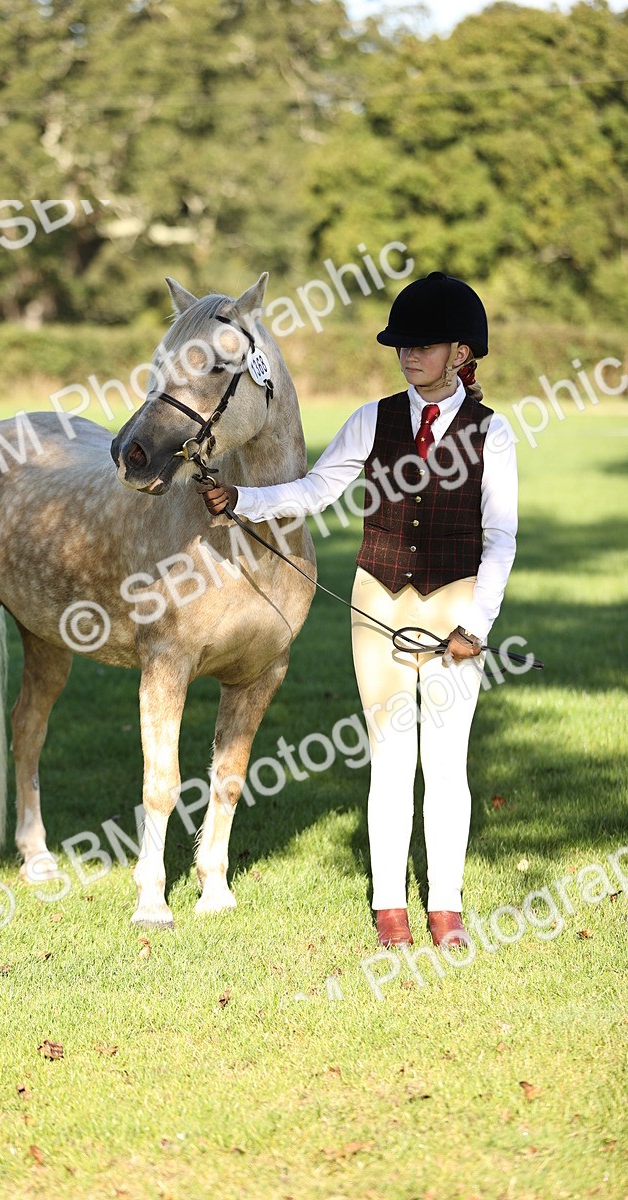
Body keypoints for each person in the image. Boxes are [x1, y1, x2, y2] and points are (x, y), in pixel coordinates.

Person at [198, 271, 518, 948]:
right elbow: (315, 490)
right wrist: (243, 503)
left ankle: (448, 908)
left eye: (423, 344)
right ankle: (389, 908)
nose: (407, 354)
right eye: (400, 344)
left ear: (461, 353)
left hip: (457, 606)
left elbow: (500, 536)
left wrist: (476, 626)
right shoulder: (372, 419)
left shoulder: (494, 434)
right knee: (391, 755)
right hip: (379, 604)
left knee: (448, 761)